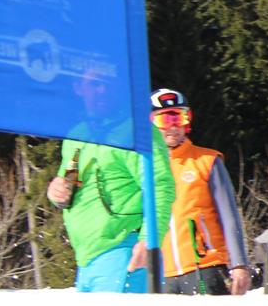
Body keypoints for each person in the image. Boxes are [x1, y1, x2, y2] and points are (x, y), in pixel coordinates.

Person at [44, 69, 175, 293]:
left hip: (124, 253)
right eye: (95, 84)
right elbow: (68, 186)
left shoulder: (136, 132)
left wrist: (148, 241)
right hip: (86, 260)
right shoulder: (77, 134)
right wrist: (57, 193)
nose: (103, 90)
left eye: (109, 84)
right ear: (79, 88)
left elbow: (160, 186)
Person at [148, 88, 252, 295]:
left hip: (205, 267)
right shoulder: (144, 169)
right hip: (163, 275)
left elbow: (229, 216)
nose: (173, 126)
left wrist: (239, 264)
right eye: (165, 119)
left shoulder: (206, 161)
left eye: (180, 117)